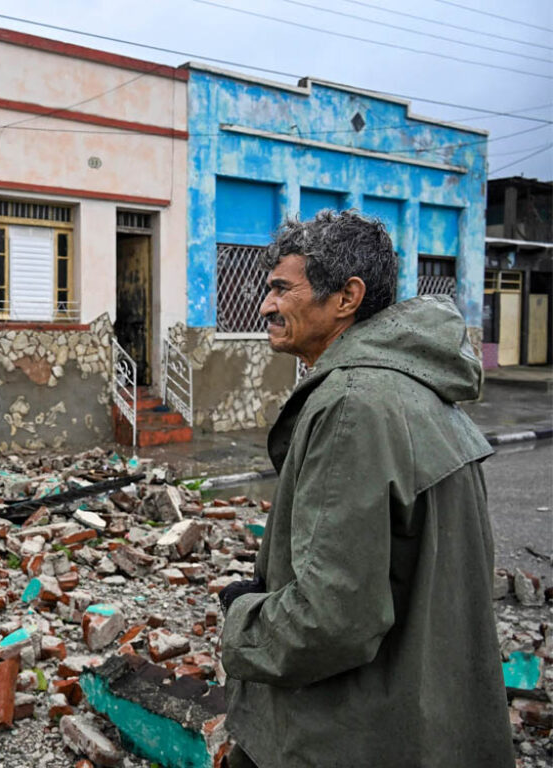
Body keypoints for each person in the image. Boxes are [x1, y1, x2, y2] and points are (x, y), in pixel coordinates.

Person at [218, 211, 515, 768]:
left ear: (347, 298)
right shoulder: (411, 387)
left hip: (346, 737)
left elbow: (333, 620)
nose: (265, 305)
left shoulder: (353, 404)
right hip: (421, 721)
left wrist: (244, 622)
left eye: (282, 288)